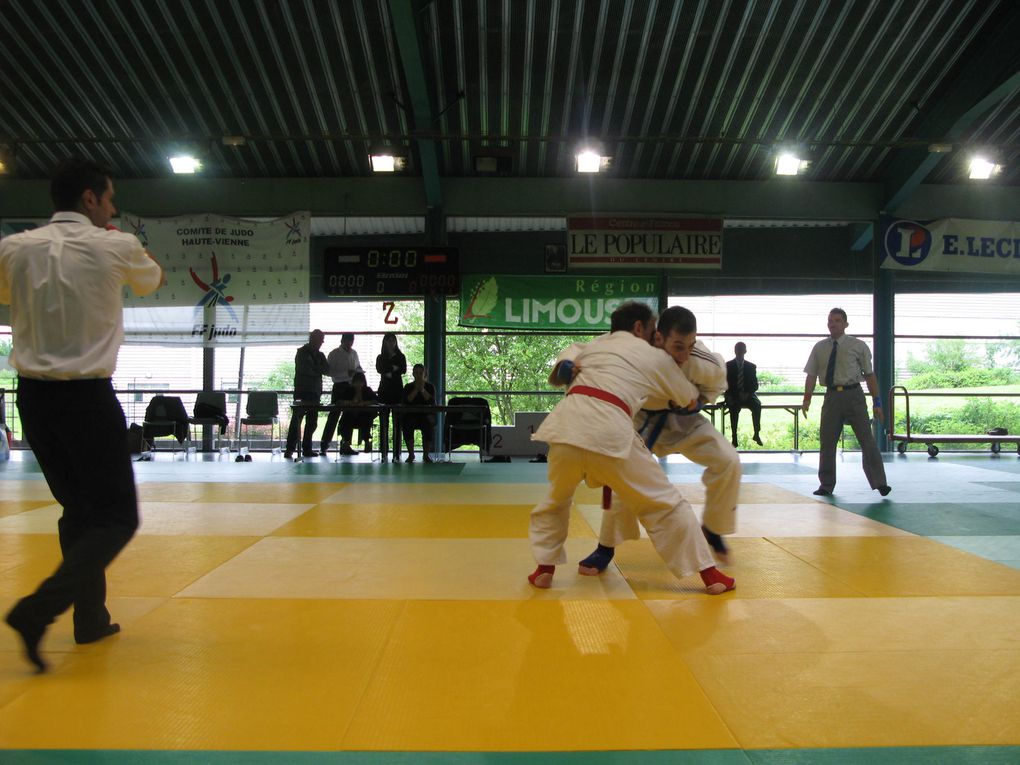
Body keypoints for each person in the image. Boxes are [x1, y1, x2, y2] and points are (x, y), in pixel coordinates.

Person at [0, 157, 164, 672]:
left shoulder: (14, 248)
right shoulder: (115, 243)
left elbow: (5, 295)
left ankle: (90, 619)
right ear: (90, 200)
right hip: (87, 400)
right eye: (109, 198)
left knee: (79, 511)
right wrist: (119, 239)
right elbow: (151, 282)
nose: (113, 207)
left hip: (34, 400)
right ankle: (38, 610)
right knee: (117, 518)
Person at [527, 301, 735, 595]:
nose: (654, 338)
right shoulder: (652, 354)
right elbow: (686, 396)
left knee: (556, 499)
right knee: (662, 501)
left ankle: (544, 569)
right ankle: (710, 574)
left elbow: (569, 358)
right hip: (612, 429)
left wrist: (566, 368)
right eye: (652, 330)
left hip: (564, 428)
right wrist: (692, 398)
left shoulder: (595, 347)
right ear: (640, 328)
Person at [577, 306, 741, 573]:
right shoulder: (637, 351)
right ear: (658, 338)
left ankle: (712, 528)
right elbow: (592, 351)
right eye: (677, 346)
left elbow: (717, 382)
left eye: (690, 345)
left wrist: (699, 401)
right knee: (621, 480)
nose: (684, 354)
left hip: (683, 421)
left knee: (729, 460)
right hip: (641, 421)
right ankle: (605, 548)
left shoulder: (701, 360)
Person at [802, 307, 891, 497]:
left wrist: (877, 402)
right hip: (831, 396)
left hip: (854, 396)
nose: (832, 324)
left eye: (837, 320)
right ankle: (826, 485)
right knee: (827, 442)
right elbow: (811, 374)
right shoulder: (819, 348)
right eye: (830, 321)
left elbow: (870, 375)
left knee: (867, 440)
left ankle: (880, 482)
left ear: (845, 324)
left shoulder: (858, 346)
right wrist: (806, 398)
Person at [284, 329, 329, 459]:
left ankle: (307, 448)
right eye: (320, 340)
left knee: (312, 422)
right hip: (302, 391)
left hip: (315, 392)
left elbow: (326, 369)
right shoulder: (301, 352)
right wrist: (317, 370)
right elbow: (304, 370)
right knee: (296, 421)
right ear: (312, 339)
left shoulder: (320, 355)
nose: (321, 343)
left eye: (322, 340)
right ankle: (290, 449)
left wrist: (315, 369)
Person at [320, 332, 363, 455]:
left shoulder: (354, 353)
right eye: (348, 341)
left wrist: (358, 372)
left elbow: (358, 366)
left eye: (352, 341)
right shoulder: (334, 354)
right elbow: (329, 372)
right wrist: (346, 373)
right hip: (339, 386)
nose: (350, 343)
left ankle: (346, 444)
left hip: (351, 387)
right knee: (334, 415)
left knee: (348, 416)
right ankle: (324, 444)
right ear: (342, 341)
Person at [375, 332, 407, 461]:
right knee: (384, 423)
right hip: (384, 391)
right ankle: (384, 452)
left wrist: (388, 370)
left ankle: (396, 453)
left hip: (397, 391)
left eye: (392, 340)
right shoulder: (380, 357)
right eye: (388, 340)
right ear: (384, 342)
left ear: (395, 342)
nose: (390, 343)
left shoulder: (401, 356)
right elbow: (379, 369)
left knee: (397, 423)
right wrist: (393, 368)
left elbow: (403, 369)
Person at [725, 341, 763, 447]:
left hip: (748, 394)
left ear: (745, 351)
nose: (739, 353)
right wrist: (737, 394)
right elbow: (726, 384)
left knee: (757, 405)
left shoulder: (751, 367)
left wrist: (747, 394)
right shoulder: (728, 366)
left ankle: (756, 433)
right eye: (738, 351)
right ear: (735, 351)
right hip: (733, 394)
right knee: (733, 408)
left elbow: (755, 385)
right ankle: (734, 437)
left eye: (741, 351)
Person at [335, 371, 381, 454]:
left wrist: (365, 403)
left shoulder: (367, 390)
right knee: (347, 417)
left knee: (365, 417)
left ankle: (367, 442)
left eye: (360, 382)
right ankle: (346, 442)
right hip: (350, 417)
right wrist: (349, 403)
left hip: (363, 418)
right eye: (356, 382)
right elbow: (338, 401)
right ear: (353, 382)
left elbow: (376, 401)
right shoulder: (349, 390)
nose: (358, 384)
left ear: (364, 382)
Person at [401, 363, 436, 463]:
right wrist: (416, 390)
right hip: (411, 415)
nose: (418, 375)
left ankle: (426, 455)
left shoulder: (430, 387)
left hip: (425, 415)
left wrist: (422, 390)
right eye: (416, 373)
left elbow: (432, 402)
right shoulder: (408, 387)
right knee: (407, 424)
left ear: (425, 374)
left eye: (421, 373)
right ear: (413, 374)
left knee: (428, 425)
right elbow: (406, 401)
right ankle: (411, 454)